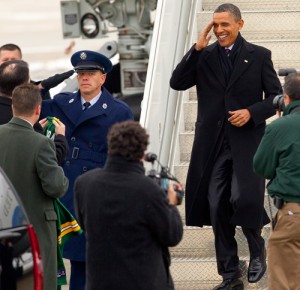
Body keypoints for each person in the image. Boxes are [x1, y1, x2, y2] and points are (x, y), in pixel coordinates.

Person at [169, 3, 282, 290]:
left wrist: (252, 112)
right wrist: (195, 49)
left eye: (225, 25)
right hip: (212, 145)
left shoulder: (259, 55)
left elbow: (275, 97)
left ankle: (257, 251)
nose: (219, 30)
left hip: (246, 143)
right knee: (216, 203)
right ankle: (230, 274)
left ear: (239, 25)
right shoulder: (203, 56)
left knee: (242, 198)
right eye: (215, 25)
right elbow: (177, 82)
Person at [40, 50, 134, 290]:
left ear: (103, 78)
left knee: (87, 262)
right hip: (64, 192)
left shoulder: (119, 111)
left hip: (95, 195)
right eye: (81, 73)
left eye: (90, 73)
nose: (84, 78)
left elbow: (126, 158)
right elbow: (29, 109)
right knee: (57, 260)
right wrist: (38, 88)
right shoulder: (62, 103)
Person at [73, 120, 183, 290]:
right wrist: (171, 203)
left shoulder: (84, 184)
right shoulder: (149, 190)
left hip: (99, 282)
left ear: (110, 146)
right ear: (142, 153)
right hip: (144, 282)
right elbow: (172, 235)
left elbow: (84, 224)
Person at [0, 83, 69, 290]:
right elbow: (56, 187)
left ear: (13, 107)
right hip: (34, 228)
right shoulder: (41, 143)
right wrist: (60, 140)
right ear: (38, 109)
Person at [253, 72, 300, 290]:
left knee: (284, 282)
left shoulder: (278, 128)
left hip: (293, 215)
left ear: (287, 99)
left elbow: (262, 167)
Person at [0, 59, 68, 165]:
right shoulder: (24, 117)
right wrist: (60, 138)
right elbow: (50, 159)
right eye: (29, 81)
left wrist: (41, 87)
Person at [0, 43, 74, 99]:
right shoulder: (39, 88)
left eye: (14, 60)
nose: (9, 63)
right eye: (5, 60)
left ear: (21, 62)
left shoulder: (40, 91)